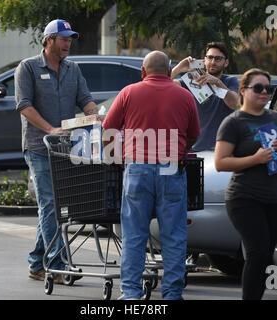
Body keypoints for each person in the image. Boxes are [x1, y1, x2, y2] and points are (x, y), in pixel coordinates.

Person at [102, 50, 200, 300]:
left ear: (143, 72)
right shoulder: (184, 96)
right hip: (171, 167)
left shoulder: (128, 92)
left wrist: (119, 160)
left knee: (134, 235)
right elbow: (193, 134)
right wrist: (179, 150)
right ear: (169, 71)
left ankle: (132, 294)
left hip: (137, 168)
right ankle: (172, 294)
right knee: (173, 236)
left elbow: (108, 130)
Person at [14, 19, 98, 282]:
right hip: (40, 147)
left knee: (54, 206)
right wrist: (49, 128)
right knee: (51, 204)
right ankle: (56, 263)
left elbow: (85, 99)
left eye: (70, 40)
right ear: (48, 39)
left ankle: (37, 263)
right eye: (63, 39)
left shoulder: (73, 69)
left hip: (65, 148)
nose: (67, 44)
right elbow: (24, 105)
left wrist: (95, 115)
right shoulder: (27, 67)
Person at [215, 68, 277, 300]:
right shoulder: (233, 122)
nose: (264, 92)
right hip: (244, 198)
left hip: (273, 198)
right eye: (258, 88)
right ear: (242, 90)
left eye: (268, 89)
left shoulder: (274, 118)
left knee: (266, 256)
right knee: (257, 253)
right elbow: (221, 162)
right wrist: (256, 158)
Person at [171, 42, 239, 151]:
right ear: (204, 60)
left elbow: (234, 103)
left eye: (218, 59)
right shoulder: (193, 80)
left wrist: (217, 82)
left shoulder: (230, 81)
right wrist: (178, 68)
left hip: (223, 149)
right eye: (210, 57)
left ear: (226, 62)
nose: (213, 62)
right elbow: (161, 85)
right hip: (196, 148)